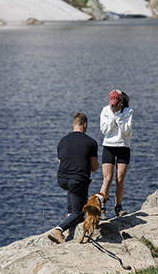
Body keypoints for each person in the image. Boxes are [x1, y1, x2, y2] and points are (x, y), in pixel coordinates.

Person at [48, 112, 99, 244]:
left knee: (72, 189)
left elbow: (61, 162)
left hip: (62, 179)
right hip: (77, 181)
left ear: (73, 124)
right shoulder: (91, 142)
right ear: (85, 124)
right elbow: (93, 168)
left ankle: (69, 216)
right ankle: (59, 229)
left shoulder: (62, 141)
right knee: (80, 212)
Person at [99, 89, 134, 220]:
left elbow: (126, 131)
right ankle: (102, 208)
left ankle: (118, 207)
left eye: (116, 103)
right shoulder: (105, 111)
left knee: (120, 179)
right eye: (112, 103)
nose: (113, 106)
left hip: (123, 147)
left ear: (121, 101)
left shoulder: (128, 112)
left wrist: (118, 117)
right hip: (108, 146)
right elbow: (105, 131)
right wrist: (112, 117)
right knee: (107, 179)